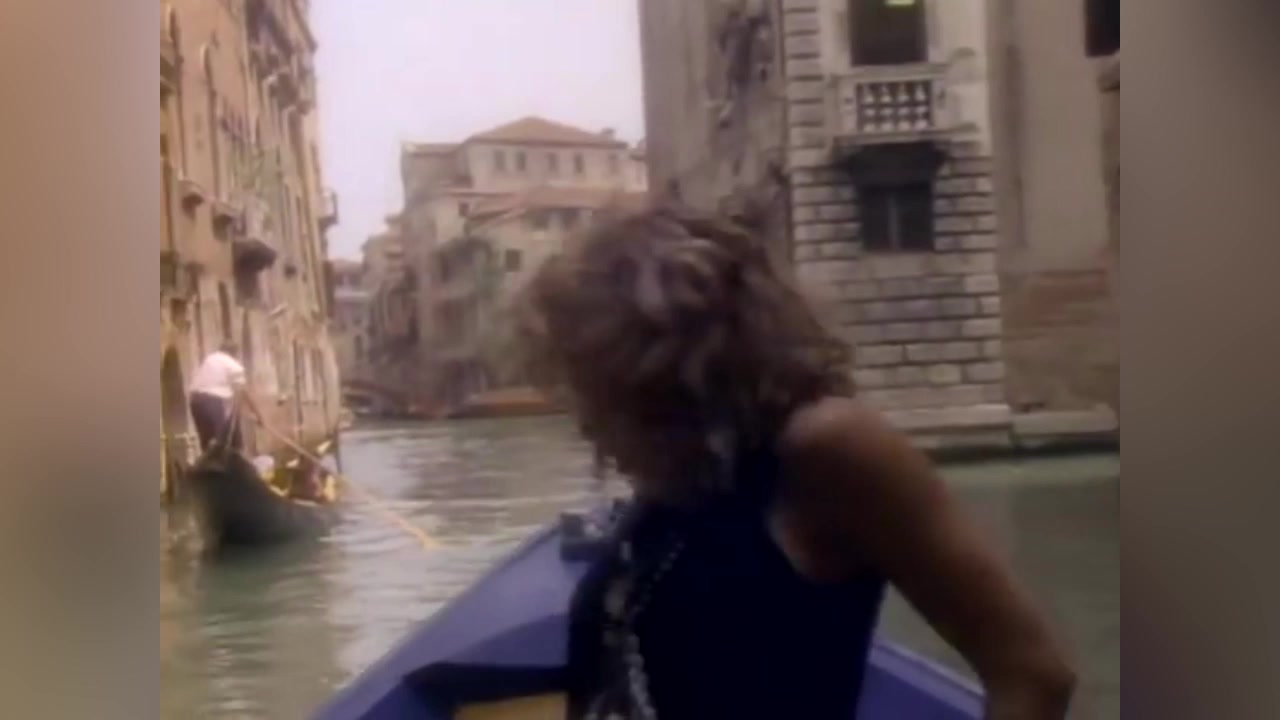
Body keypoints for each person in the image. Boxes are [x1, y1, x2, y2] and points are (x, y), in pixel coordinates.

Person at [517, 206, 1075, 720]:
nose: (584, 422)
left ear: (658, 374)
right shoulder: (682, 475)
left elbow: (1032, 674)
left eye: (590, 386)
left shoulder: (827, 448)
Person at [187, 341, 261, 453]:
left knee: (207, 441)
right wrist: (260, 417)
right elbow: (244, 392)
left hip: (195, 401)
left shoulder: (209, 359)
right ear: (234, 353)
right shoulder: (233, 365)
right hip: (212, 402)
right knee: (223, 441)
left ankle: (209, 460)